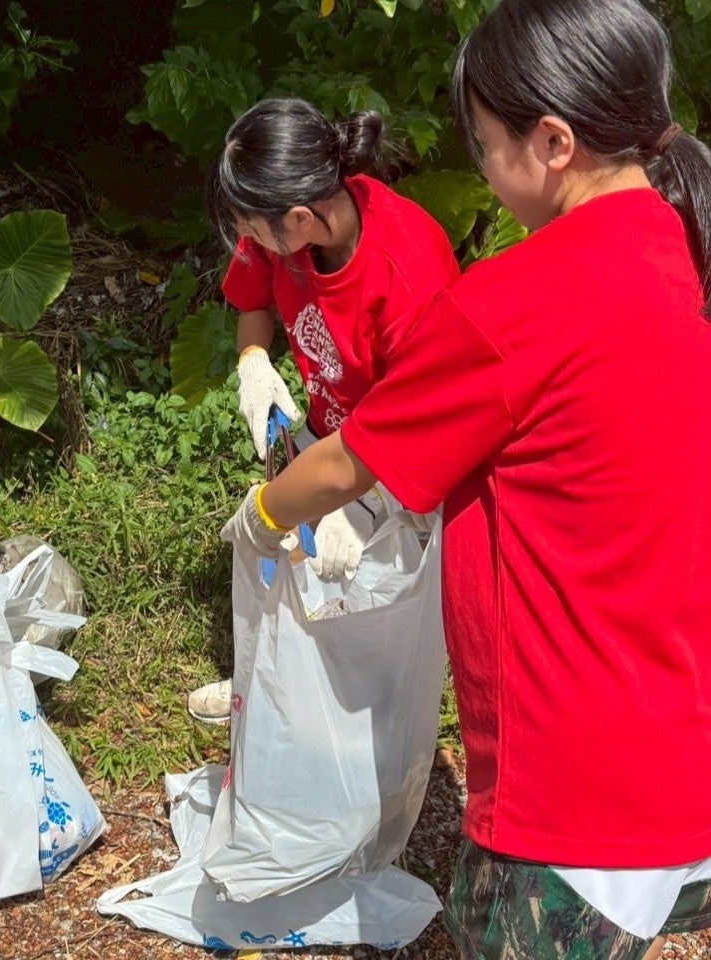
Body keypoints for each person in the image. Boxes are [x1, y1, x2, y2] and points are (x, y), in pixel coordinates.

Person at [220, 1, 711, 957]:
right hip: (678, 733)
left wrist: (264, 512)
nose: (481, 166)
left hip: (575, 789)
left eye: (485, 145)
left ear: (554, 143)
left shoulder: (514, 299)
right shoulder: (683, 244)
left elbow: (352, 462)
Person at [187, 96, 458, 723]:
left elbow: (425, 428)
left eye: (253, 229)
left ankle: (342, 713)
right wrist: (254, 361)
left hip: (400, 465)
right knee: (294, 564)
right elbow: (253, 301)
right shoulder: (282, 216)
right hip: (325, 433)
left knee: (361, 594)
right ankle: (272, 686)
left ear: (302, 218)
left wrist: (355, 501)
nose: (249, 241)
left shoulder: (408, 270)